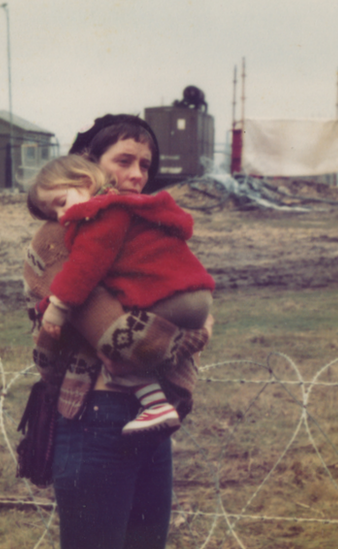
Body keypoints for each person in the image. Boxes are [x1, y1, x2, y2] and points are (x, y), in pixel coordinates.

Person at [23, 114, 212, 549]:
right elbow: (126, 341)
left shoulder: (134, 228)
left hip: (152, 417)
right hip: (98, 417)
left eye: (145, 166)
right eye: (124, 160)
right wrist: (190, 337)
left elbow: (191, 291)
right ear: (85, 164)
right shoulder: (56, 240)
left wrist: (189, 322)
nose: (136, 176)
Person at [26, 154, 214, 435]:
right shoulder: (128, 208)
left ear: (86, 182)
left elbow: (83, 270)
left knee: (115, 353)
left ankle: (156, 405)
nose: (62, 216)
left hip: (172, 298)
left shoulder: (100, 215)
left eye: (62, 203)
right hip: (196, 295)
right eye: (54, 214)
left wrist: (57, 307)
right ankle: (159, 401)